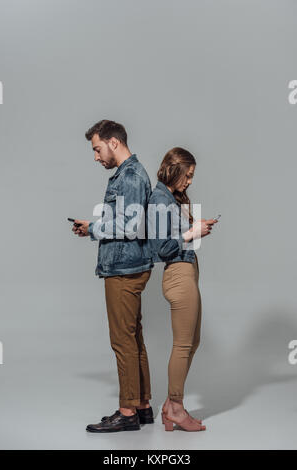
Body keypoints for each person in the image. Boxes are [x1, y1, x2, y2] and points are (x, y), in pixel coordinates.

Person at [72, 120, 154, 433]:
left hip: (124, 268)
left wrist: (93, 229)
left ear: (114, 143)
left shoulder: (130, 176)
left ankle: (127, 412)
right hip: (129, 265)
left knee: (123, 340)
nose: (96, 156)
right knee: (133, 338)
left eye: (97, 148)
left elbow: (132, 228)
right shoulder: (129, 174)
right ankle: (143, 406)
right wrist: (92, 228)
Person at [147, 147, 218, 432]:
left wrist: (195, 226)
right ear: (174, 169)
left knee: (193, 340)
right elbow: (160, 248)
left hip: (187, 270)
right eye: (187, 175)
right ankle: (175, 408)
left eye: (191, 177)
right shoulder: (159, 198)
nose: (189, 181)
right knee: (183, 344)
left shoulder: (171, 199)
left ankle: (169, 406)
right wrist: (193, 232)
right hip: (178, 273)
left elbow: (175, 237)